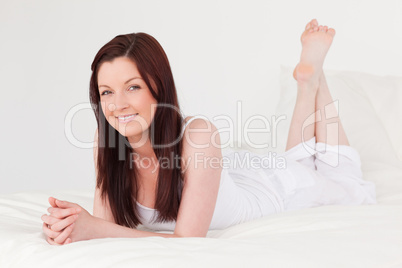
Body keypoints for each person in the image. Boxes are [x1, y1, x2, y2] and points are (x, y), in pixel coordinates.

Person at [41, 19, 377, 245]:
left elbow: (187, 241)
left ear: (158, 86)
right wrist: (69, 225)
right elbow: (106, 228)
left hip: (279, 190)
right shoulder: (109, 141)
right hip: (233, 176)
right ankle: (309, 82)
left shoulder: (198, 136)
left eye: (132, 87)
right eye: (106, 93)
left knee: (349, 182)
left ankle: (316, 81)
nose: (117, 105)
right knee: (298, 160)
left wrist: (93, 228)